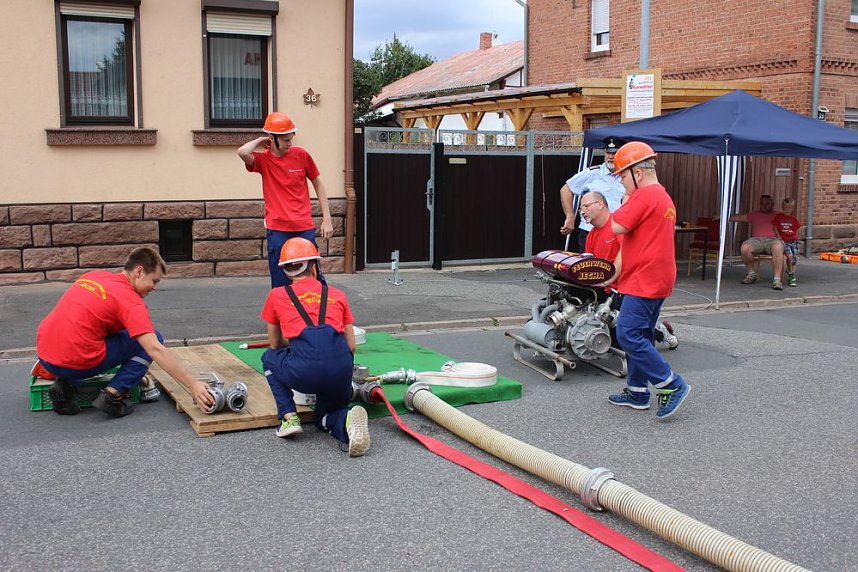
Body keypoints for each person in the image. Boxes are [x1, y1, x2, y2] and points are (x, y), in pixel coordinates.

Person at [34, 247, 214, 417]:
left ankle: (65, 385)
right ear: (139, 271)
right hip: (76, 362)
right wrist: (193, 385)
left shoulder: (93, 276)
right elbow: (154, 349)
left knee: (92, 334)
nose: (154, 287)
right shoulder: (130, 302)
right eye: (154, 280)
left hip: (46, 357)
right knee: (153, 338)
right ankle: (113, 395)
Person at [259, 237, 370, 457]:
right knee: (324, 417)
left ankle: (289, 417)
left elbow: (275, 344)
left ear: (287, 270)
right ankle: (345, 419)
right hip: (340, 370)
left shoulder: (277, 295)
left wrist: (298, 344)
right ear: (314, 266)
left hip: (304, 372)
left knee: (269, 358)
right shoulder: (337, 295)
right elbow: (351, 346)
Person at [607, 142, 691, 419]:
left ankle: (670, 383)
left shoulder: (643, 196)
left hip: (644, 277)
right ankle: (637, 391)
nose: (621, 182)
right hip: (654, 275)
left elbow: (616, 225)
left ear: (638, 173)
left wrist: (625, 200)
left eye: (622, 175)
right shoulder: (662, 195)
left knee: (628, 333)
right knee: (641, 333)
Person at [239, 112, 333, 289]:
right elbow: (242, 152)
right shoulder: (263, 160)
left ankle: (316, 308)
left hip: (304, 227)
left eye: (291, 139)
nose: (290, 144)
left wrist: (327, 218)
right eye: (285, 140)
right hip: (278, 230)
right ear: (272, 138)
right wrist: (261, 140)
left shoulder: (301, 155)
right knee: (281, 283)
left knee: (313, 281)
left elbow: (318, 184)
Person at [581, 191, 679, 350]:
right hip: (605, 289)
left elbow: (626, 251)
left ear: (600, 204)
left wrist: (611, 277)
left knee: (626, 338)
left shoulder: (618, 226)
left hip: (625, 290)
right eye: (581, 208)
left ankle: (660, 333)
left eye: (586, 206)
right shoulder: (591, 235)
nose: (582, 211)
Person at [560, 137, 627, 252]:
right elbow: (566, 189)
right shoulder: (592, 173)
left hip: (618, 231)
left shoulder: (627, 176)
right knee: (589, 263)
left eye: (614, 153)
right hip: (590, 230)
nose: (610, 157)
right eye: (608, 153)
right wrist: (570, 216)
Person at [729, 194, 785, 290]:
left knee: (778, 247)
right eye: (762, 204)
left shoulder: (778, 215)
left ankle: (777, 280)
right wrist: (723, 217)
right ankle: (751, 274)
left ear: (772, 204)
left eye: (767, 203)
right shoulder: (755, 214)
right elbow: (739, 217)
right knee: (745, 248)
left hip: (772, 240)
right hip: (757, 240)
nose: (765, 206)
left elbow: (789, 222)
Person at [773, 197, 800, 287]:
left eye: (790, 208)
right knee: (789, 256)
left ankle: (791, 273)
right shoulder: (779, 217)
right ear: (782, 208)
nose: (787, 210)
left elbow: (796, 231)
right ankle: (791, 275)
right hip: (785, 241)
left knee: (794, 259)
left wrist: (796, 239)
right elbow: (775, 228)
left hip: (793, 241)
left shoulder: (794, 219)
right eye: (785, 207)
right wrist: (778, 236)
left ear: (792, 209)